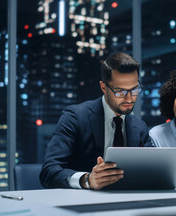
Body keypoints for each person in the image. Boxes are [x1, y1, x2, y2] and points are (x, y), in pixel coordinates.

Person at [40, 52, 152, 190]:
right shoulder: (75, 117)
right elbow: (48, 171)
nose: (129, 98)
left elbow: (154, 170)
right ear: (103, 87)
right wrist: (87, 180)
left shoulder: (139, 126)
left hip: (128, 201)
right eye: (120, 92)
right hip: (83, 204)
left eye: (134, 90)